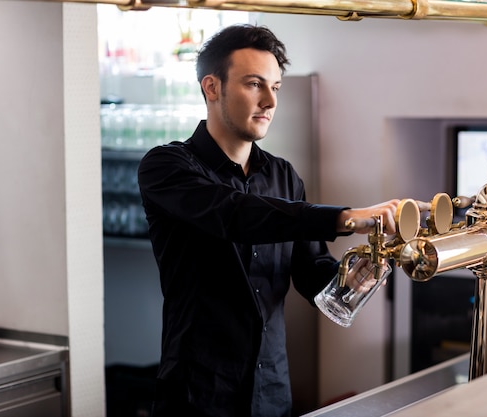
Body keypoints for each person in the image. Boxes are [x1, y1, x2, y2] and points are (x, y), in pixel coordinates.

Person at [138, 24, 400, 417]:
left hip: (272, 392)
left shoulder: (283, 175)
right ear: (212, 87)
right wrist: (346, 218)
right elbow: (235, 214)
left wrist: (363, 270)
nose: (269, 101)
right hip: (197, 393)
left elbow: (313, 276)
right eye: (254, 84)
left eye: (275, 87)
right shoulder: (167, 167)